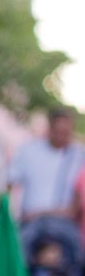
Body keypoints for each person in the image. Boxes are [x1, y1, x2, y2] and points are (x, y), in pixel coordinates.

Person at [10, 109, 85, 256]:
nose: (61, 137)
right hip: (31, 222)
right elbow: (11, 184)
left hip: (64, 223)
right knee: (19, 252)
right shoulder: (29, 150)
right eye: (58, 132)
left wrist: (43, 212)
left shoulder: (79, 154)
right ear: (50, 129)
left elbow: (76, 204)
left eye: (65, 132)